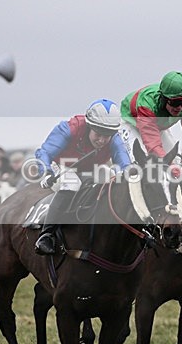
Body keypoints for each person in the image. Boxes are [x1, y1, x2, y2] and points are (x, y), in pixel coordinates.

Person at [34, 99, 132, 255]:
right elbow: (44, 152)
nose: (102, 140)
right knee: (72, 183)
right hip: (62, 165)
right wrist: (45, 172)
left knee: (111, 176)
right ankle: (47, 235)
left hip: (89, 168)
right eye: (98, 134)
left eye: (107, 136)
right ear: (89, 126)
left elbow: (124, 162)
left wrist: (127, 174)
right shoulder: (69, 129)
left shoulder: (115, 138)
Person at [119, 71, 182, 163]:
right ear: (163, 98)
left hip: (156, 127)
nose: (179, 107)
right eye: (175, 102)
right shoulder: (147, 105)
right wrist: (169, 166)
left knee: (178, 161)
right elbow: (153, 145)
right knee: (139, 163)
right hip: (131, 124)